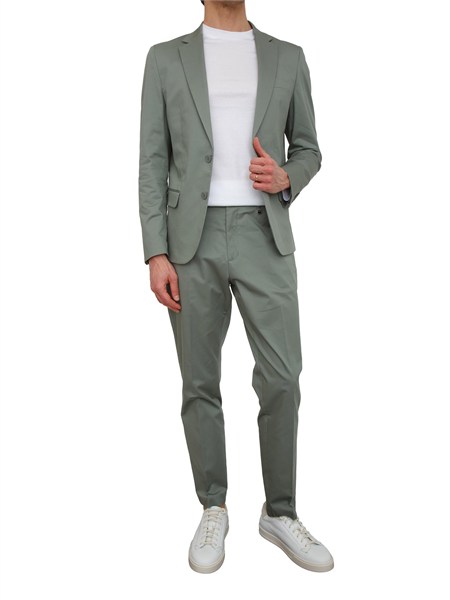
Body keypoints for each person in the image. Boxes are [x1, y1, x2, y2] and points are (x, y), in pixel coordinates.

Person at [138, 0, 333, 574]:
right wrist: (155, 250)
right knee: (199, 381)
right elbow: (152, 161)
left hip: (263, 235)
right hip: (189, 240)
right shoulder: (164, 59)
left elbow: (309, 148)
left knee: (283, 376)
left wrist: (288, 175)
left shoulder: (288, 57)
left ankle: (280, 512)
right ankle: (213, 506)